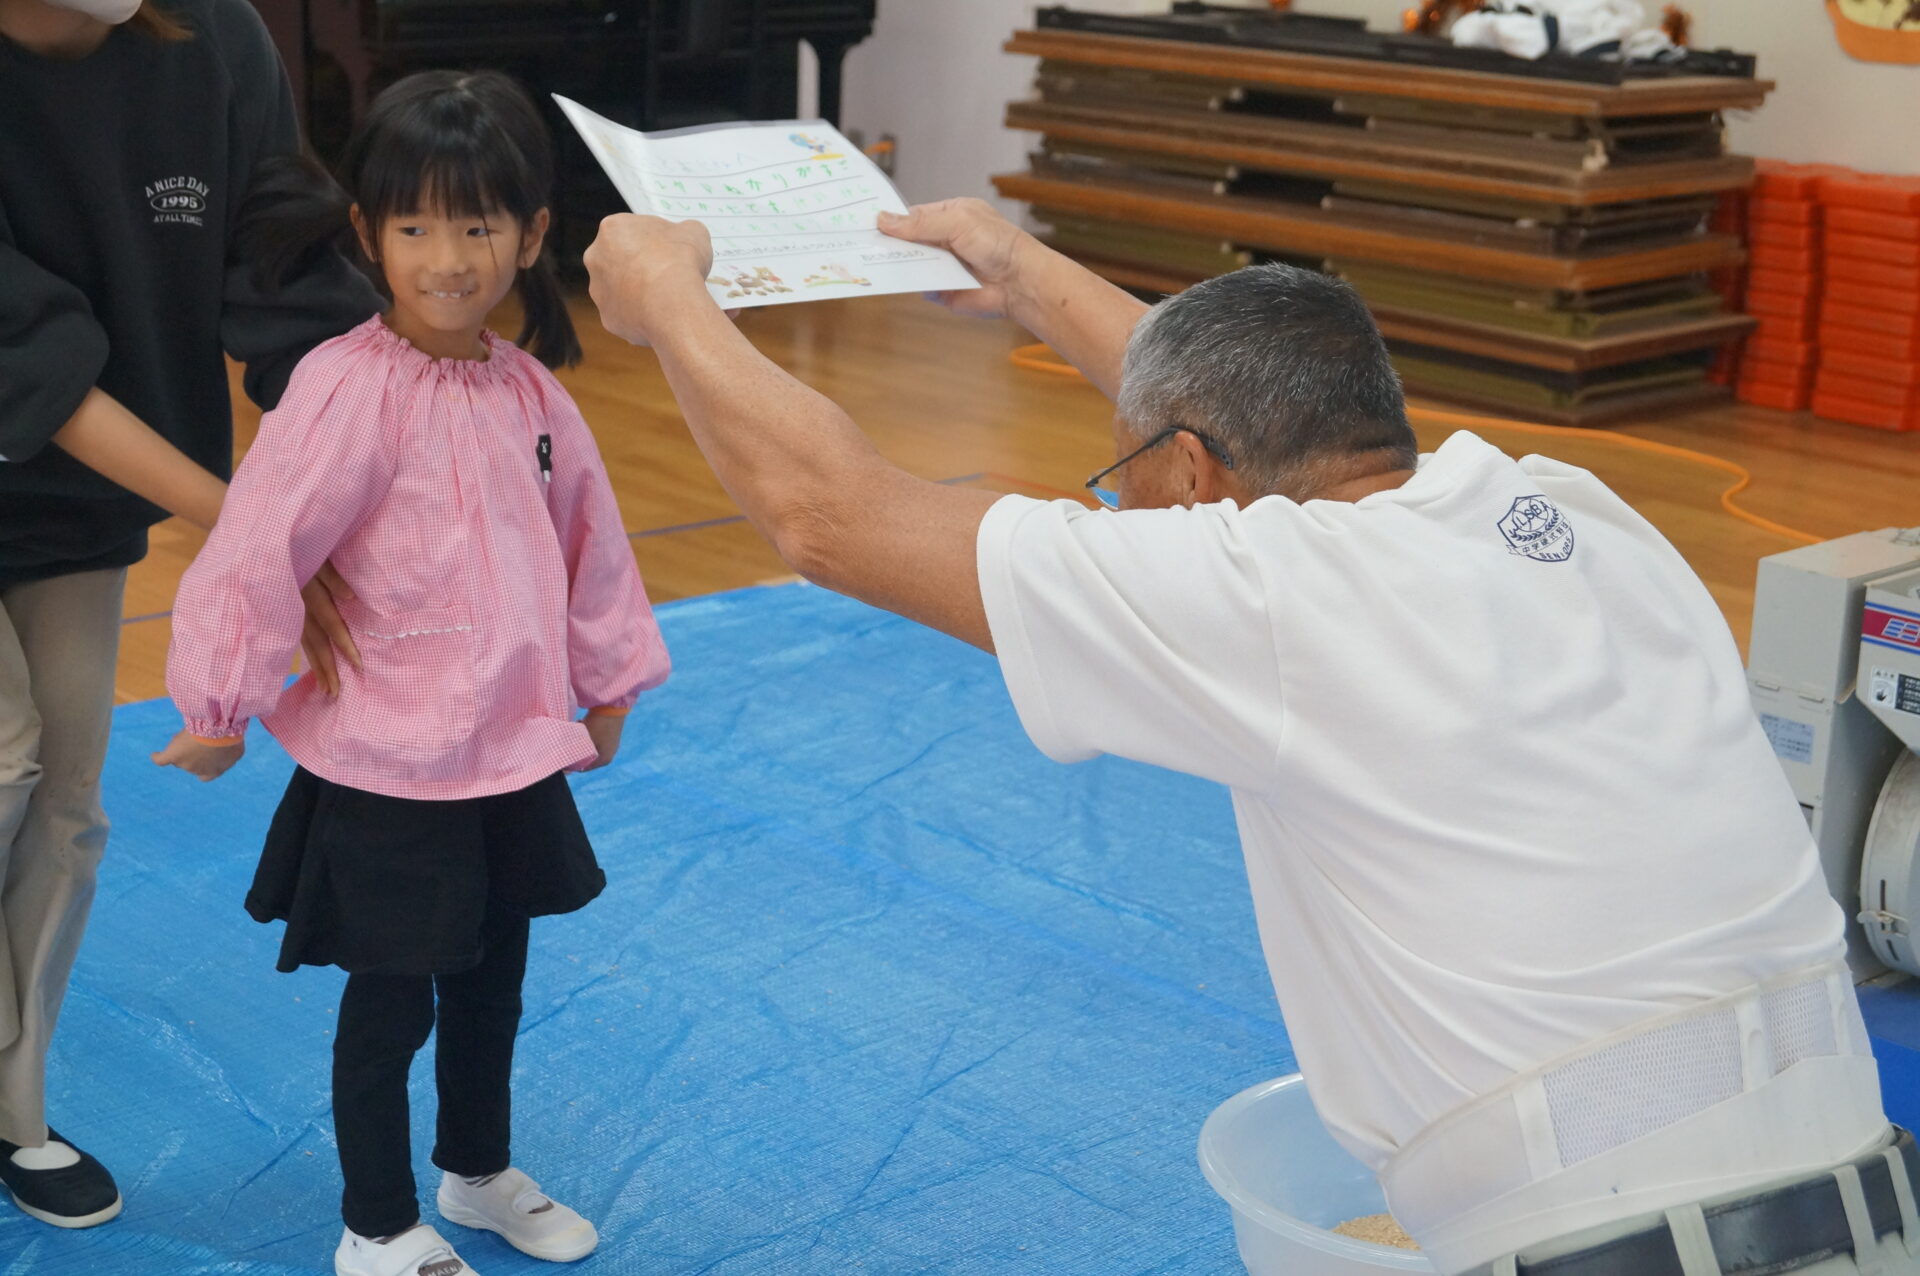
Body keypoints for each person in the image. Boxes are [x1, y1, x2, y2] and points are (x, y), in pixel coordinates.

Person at [580, 199, 1915, 1276]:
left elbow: (825, 513)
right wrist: (1015, 263)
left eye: (1127, 479)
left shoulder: (1278, 599)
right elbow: (1219, 410)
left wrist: (665, 298)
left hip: (1610, 1246)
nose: (1121, 508)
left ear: (1197, 477)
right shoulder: (1565, 506)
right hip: (1871, 1195)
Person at [157, 70, 669, 1276]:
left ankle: (477, 1170)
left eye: (480, 224)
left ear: (534, 235)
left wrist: (607, 683)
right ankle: (378, 1220)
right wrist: (218, 701)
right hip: (390, 759)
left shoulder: (533, 392)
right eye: (416, 226)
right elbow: (259, 544)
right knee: (393, 999)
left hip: (508, 747)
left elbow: (589, 540)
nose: (450, 257)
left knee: (494, 975)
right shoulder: (344, 388)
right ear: (368, 236)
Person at [0, 0, 378, 1229]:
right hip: (64, 432)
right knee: (1, 759)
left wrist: (387, 454)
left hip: (72, 503)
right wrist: (249, 524)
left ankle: (12, 1109)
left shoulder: (213, 37)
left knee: (68, 805)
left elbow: (291, 276)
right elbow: (30, 357)